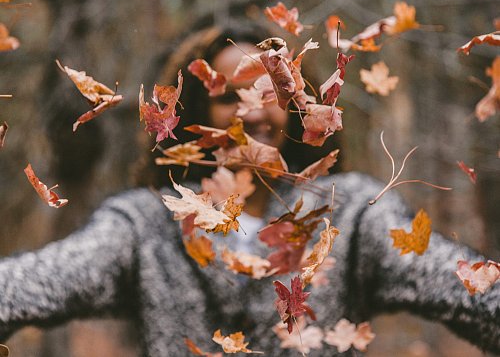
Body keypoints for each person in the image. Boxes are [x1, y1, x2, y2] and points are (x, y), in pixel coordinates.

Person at [0, 22, 498, 357]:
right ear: (196, 114)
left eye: (269, 91)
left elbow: (463, 291)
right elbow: (32, 284)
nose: (252, 110)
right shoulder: (147, 224)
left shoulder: (349, 214)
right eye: (228, 96)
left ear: (296, 104)